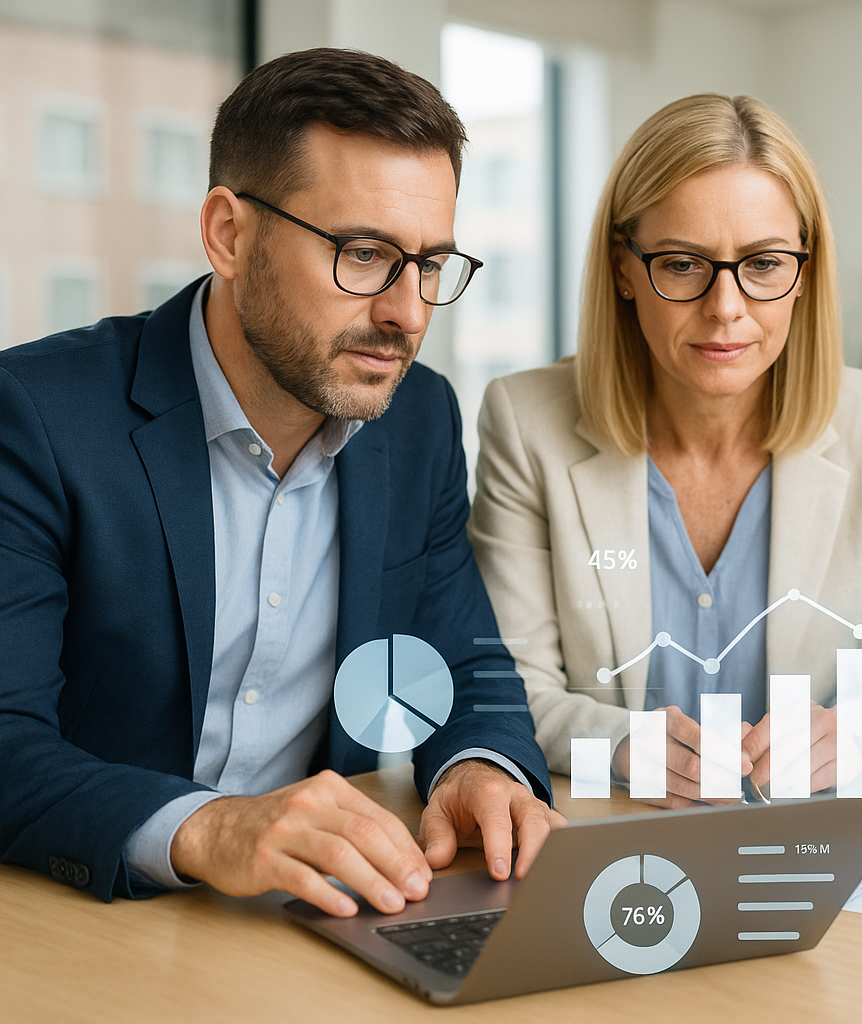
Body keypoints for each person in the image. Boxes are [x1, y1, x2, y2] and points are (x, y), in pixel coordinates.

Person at [0, 48, 561, 916]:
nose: (407, 313)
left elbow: (463, 658)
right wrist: (210, 829)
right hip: (88, 919)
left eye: (431, 265)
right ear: (229, 233)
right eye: (365, 253)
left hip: (316, 918)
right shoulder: (35, 416)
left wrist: (479, 764)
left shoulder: (417, 420)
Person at [469, 94, 862, 806]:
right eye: (683, 264)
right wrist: (623, 744)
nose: (726, 307)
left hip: (807, 846)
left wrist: (848, 738)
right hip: (613, 848)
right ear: (625, 270)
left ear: (804, 270)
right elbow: (508, 688)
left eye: (762, 264)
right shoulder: (525, 422)